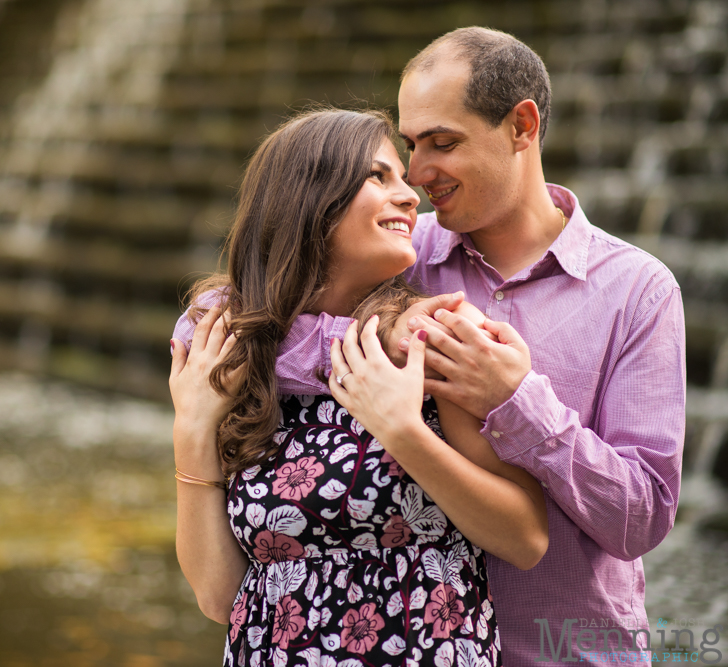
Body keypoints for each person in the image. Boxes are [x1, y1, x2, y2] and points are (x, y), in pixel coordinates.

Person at [270, 28, 686, 663]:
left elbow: (640, 520)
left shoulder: (639, 291)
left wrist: (517, 402)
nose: (415, 174)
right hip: (406, 646)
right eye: (411, 145)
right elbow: (222, 316)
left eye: (443, 143)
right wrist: (385, 334)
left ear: (522, 126)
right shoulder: (400, 249)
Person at [169, 108, 548, 666]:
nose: (410, 195)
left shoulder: (430, 344)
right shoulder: (230, 354)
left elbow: (525, 538)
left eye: (402, 176)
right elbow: (221, 598)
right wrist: (193, 428)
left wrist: (403, 431)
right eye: (379, 176)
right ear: (310, 199)